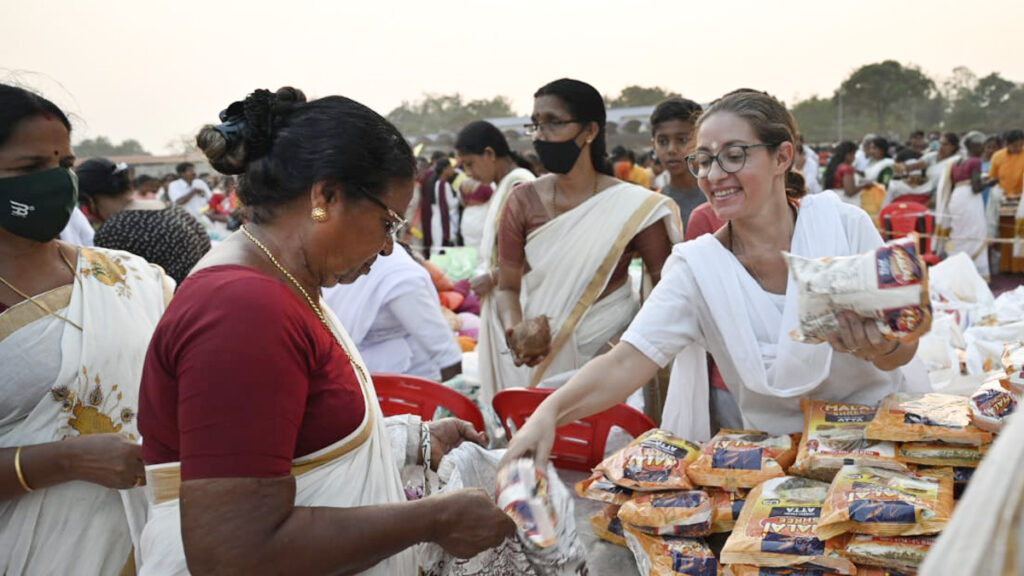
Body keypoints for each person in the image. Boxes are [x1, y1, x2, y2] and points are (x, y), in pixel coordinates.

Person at [137, 87, 513, 575]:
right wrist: (433, 518)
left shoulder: (282, 281)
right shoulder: (243, 307)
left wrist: (406, 441)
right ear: (326, 196)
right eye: (387, 223)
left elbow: (291, 443)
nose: (385, 251)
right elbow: (235, 552)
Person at [501, 89, 929, 468]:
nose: (713, 174)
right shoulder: (697, 267)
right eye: (704, 160)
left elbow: (902, 349)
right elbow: (628, 359)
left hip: (873, 450)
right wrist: (548, 414)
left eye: (734, 155)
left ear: (782, 156)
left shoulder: (844, 226)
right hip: (774, 465)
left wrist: (883, 346)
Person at [0, 83, 173, 574]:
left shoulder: (128, 277)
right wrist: (67, 461)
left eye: (65, 166)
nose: (56, 183)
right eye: (31, 169)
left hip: (151, 545)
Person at [486, 78, 680, 397]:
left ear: (590, 131)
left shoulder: (634, 206)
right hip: (541, 357)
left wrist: (626, 346)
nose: (540, 135)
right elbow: (508, 286)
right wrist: (515, 329)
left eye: (553, 123)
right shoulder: (521, 200)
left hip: (614, 361)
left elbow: (665, 291)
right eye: (535, 125)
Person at [323, 243, 464, 382]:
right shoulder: (341, 255)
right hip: (355, 374)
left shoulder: (401, 278)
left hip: (407, 383)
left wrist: (450, 400)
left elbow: (447, 354)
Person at [75, 157, 211, 286]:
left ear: (89, 201)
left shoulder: (114, 230)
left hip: (171, 304)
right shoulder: (171, 209)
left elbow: (119, 290)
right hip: (201, 294)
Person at [934, 132, 991, 278]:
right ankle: (977, 273)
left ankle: (958, 269)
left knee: (959, 233)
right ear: (976, 146)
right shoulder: (975, 161)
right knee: (975, 233)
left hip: (956, 198)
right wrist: (991, 182)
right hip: (970, 200)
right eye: (983, 146)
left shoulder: (958, 161)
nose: (984, 150)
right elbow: (976, 187)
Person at [650, 97, 707, 227]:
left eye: (682, 140)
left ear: (701, 140)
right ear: (654, 145)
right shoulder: (654, 206)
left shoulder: (719, 195)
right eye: (663, 142)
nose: (671, 150)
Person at [418, 158, 459, 256]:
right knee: (440, 249)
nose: (452, 171)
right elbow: (450, 204)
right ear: (444, 169)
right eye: (450, 168)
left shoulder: (436, 183)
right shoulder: (444, 185)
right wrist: (460, 196)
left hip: (437, 221)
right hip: (442, 222)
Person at [988, 128, 1024, 198]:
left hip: (1022, 197)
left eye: (1021, 145)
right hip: (1003, 197)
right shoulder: (997, 156)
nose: (1018, 148)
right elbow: (993, 177)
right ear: (1007, 144)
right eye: (1015, 146)